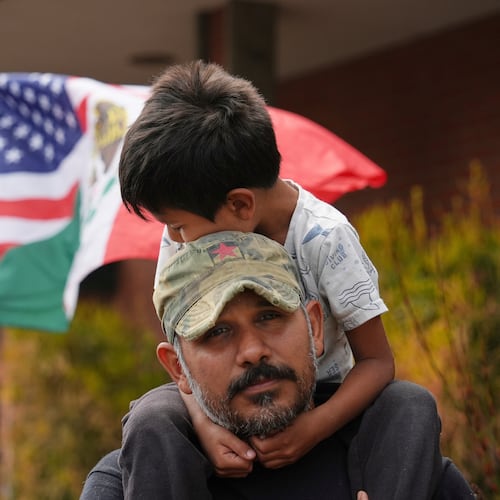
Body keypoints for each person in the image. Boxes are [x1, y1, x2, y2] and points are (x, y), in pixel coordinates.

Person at [117, 60, 471, 499]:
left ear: (240, 206)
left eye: (179, 225)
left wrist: (314, 428)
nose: (171, 238)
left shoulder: (326, 238)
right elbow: (187, 360)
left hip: (323, 401)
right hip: (222, 401)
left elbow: (378, 362)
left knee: (410, 405)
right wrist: (205, 426)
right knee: (151, 413)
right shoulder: (186, 237)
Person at [80, 231, 474, 500]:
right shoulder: (129, 484)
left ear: (315, 327)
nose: (252, 351)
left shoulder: (407, 469)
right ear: (177, 368)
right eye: (216, 332)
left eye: (270, 316)